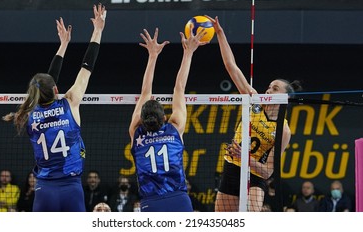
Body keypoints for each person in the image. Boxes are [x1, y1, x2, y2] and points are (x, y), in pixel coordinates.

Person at [2, 3, 107, 212]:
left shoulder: (29, 114)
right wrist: (97, 30)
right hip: (71, 188)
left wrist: (63, 45)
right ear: (56, 89)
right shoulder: (70, 102)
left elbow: (47, 84)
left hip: (44, 191)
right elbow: (87, 68)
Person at [206, 15, 302, 212]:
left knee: (251, 218)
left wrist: (246, 157)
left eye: (274, 89)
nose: (268, 91)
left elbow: (268, 172)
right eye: (269, 87)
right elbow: (231, 67)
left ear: (285, 97)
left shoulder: (283, 130)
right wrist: (220, 33)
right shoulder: (254, 100)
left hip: (255, 174)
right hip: (232, 168)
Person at [128, 26, 207, 212]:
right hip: (179, 199)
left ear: (141, 118)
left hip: (150, 202)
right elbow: (179, 88)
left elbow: (145, 92)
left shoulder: (135, 132)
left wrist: (152, 55)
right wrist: (188, 52)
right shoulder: (175, 128)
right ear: (165, 117)